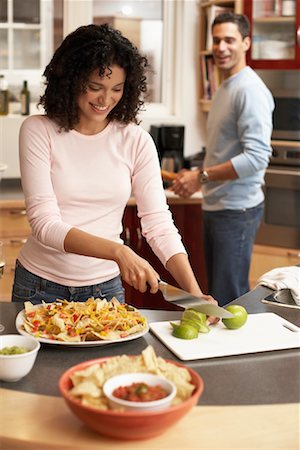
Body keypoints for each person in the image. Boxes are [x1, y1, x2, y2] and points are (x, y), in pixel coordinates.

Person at [12, 23, 214, 308]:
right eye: (95, 87)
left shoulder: (136, 141)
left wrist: (194, 294)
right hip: (40, 287)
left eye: (116, 89)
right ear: (71, 80)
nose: (105, 100)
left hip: (104, 290)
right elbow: (45, 224)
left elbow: (158, 224)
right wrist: (118, 251)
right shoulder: (38, 130)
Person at [172, 13, 274, 306]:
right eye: (216, 40)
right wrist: (195, 172)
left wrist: (200, 177)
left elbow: (256, 158)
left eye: (229, 39)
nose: (221, 47)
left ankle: (243, 354)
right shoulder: (226, 87)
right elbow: (225, 147)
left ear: (246, 43)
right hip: (220, 205)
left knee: (230, 299)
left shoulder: (249, 90)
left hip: (237, 210)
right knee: (218, 294)